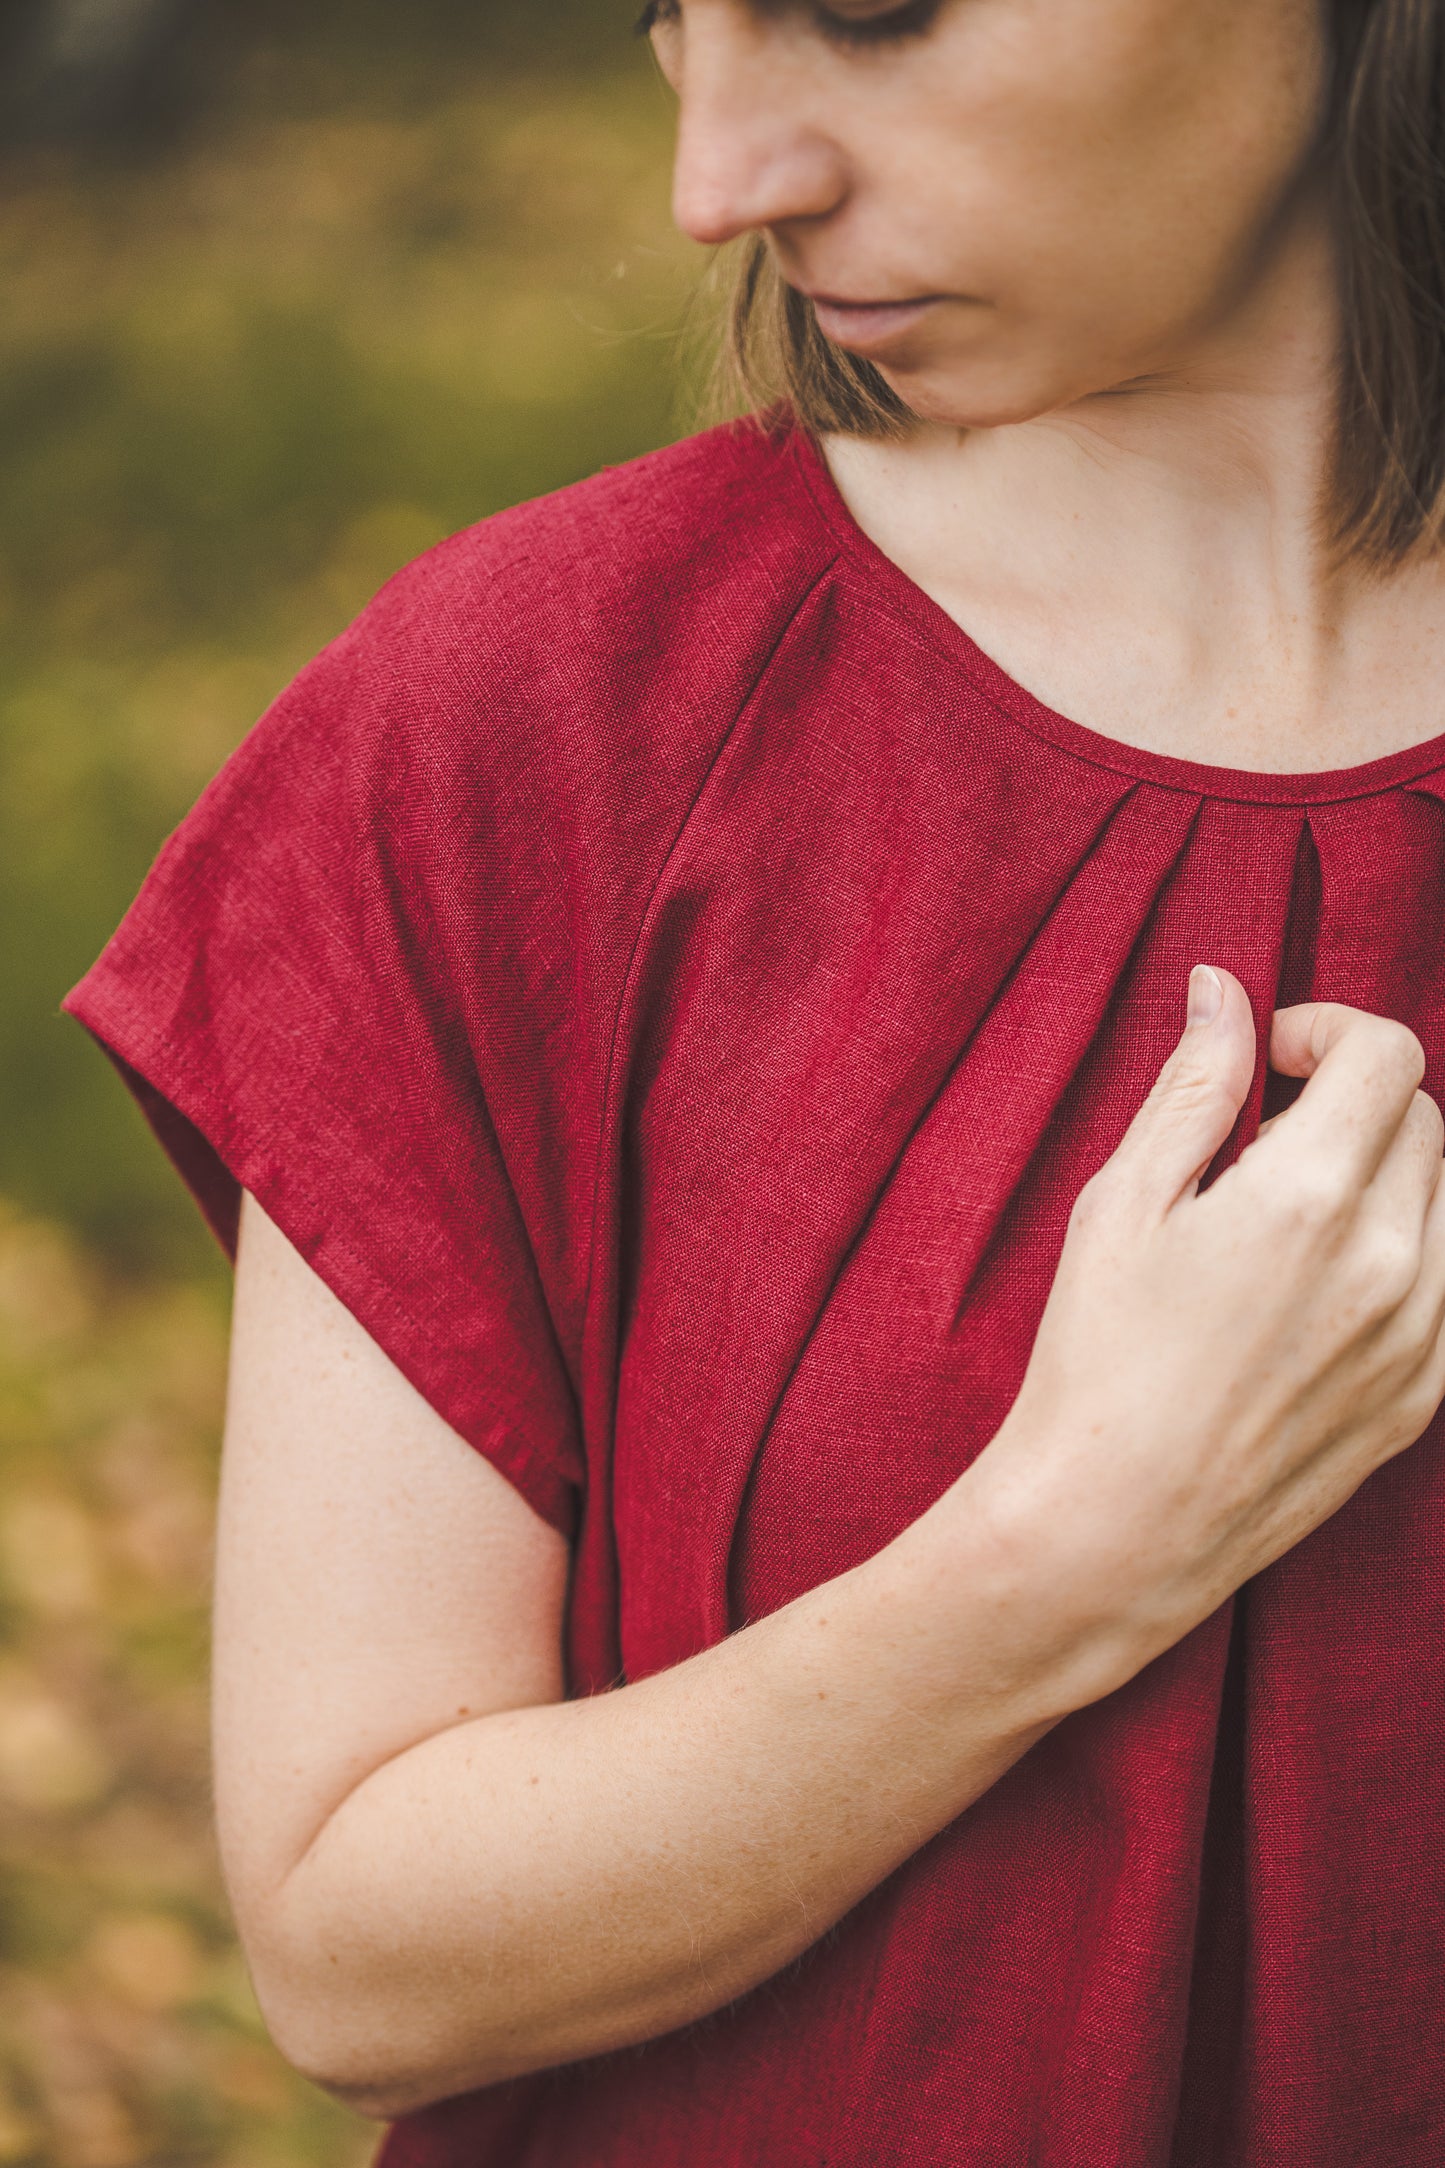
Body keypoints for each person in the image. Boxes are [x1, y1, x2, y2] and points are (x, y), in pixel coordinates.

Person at [62, 1, 1445, 2162]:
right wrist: (1061, 1553)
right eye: (670, 20)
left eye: (872, 13)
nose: (723, 183)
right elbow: (357, 1946)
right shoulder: (531, 724)